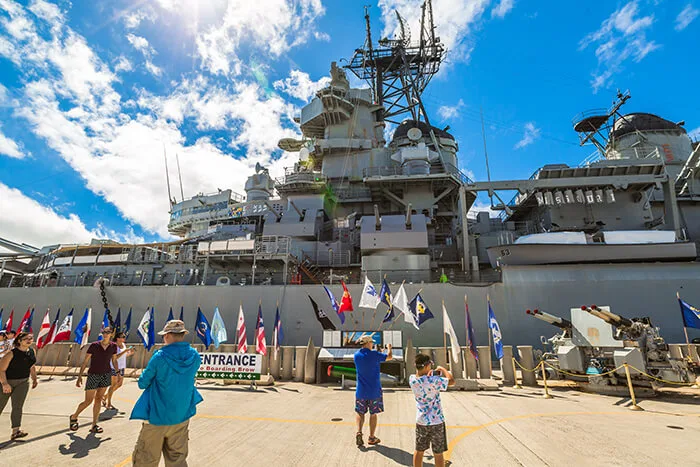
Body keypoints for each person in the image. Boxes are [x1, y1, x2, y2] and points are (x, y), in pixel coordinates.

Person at [131, 319, 203, 466]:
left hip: (156, 417)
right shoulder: (195, 356)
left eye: (164, 335)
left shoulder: (160, 356)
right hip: (181, 416)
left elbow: (142, 383)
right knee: (177, 459)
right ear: (182, 335)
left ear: (168, 335)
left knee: (146, 459)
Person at [69, 326, 119, 433]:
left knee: (98, 399)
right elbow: (86, 361)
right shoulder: (94, 345)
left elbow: (114, 360)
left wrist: (117, 372)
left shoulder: (113, 346)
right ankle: (74, 416)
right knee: (88, 400)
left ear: (111, 334)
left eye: (107, 332)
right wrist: (79, 376)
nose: (105, 334)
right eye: (104, 332)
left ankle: (94, 425)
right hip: (93, 375)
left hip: (106, 374)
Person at [409, 353, 455, 467]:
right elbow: (452, 381)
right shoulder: (434, 380)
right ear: (426, 366)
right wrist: (443, 369)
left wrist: (426, 373)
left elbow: (420, 377)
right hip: (436, 421)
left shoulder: (412, 380)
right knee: (438, 453)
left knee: (419, 450)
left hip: (421, 421)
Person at [353, 335, 392, 447]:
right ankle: (371, 437)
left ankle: (359, 432)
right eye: (371, 343)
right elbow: (389, 357)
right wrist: (389, 348)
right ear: (367, 343)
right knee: (373, 414)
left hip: (361, 391)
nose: (373, 344)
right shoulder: (375, 355)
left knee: (360, 412)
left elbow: (369, 359)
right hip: (374, 391)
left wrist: (378, 352)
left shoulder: (356, 356)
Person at [0, 332, 38, 440]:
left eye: (31, 338)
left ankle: (16, 431)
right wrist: (4, 384)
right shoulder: (11, 353)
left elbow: (32, 366)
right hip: (7, 382)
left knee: (17, 407)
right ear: (19, 341)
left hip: (23, 382)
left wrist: (34, 379)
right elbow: (1, 370)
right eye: (26, 339)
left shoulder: (32, 351)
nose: (29, 340)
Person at [104, 332, 134, 411]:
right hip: (113, 367)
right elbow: (115, 357)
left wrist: (129, 353)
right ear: (117, 338)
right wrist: (124, 351)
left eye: (124, 337)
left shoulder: (123, 345)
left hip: (121, 367)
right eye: (122, 337)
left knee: (119, 384)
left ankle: (106, 396)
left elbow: (123, 356)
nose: (124, 338)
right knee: (113, 385)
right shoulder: (114, 346)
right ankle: (108, 403)